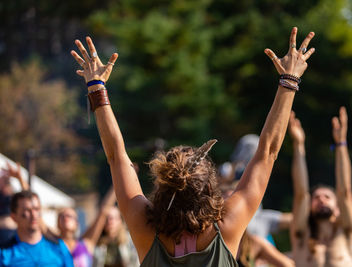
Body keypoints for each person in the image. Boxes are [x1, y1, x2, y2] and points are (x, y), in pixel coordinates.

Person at [71, 26, 315, 266]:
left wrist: (97, 87)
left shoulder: (145, 230)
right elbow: (268, 152)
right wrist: (289, 81)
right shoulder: (227, 227)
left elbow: (116, 155)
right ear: (209, 188)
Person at [288, 108, 352, 267]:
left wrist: (341, 144)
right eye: (316, 197)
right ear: (309, 206)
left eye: (327, 197)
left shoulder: (347, 232)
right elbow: (301, 194)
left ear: (337, 205)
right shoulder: (301, 235)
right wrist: (298, 144)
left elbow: (344, 191)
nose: (321, 200)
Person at [0, 190, 73, 267]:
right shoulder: (5, 253)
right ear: (14, 217)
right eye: (27, 210)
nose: (34, 215)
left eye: (36, 209)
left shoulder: (58, 247)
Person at [57, 186, 117, 267]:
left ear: (76, 223)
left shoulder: (86, 245)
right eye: (62, 216)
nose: (66, 217)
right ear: (57, 222)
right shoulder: (51, 243)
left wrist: (117, 186)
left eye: (69, 216)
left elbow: (103, 211)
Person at [0, 162, 29, 245]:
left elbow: (29, 197)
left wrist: (20, 178)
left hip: (13, 238)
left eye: (7, 180)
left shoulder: (14, 196)